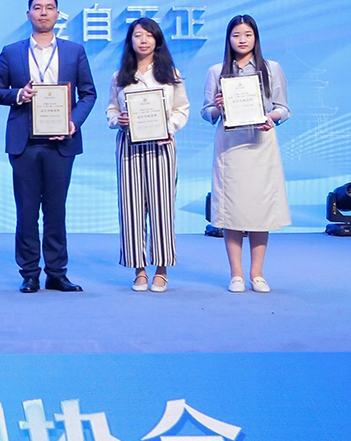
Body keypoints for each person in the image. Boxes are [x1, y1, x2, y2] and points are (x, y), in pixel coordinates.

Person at [0, 0, 96, 293]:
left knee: (55, 210)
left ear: (57, 15)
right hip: (24, 141)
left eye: (49, 8)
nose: (43, 13)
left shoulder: (74, 51)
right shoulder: (11, 52)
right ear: (28, 15)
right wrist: (18, 94)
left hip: (61, 142)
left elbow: (88, 93)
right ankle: (29, 273)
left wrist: (73, 122)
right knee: (26, 211)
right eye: (37, 8)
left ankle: (56, 273)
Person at [201, 15, 290, 294]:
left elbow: (284, 108)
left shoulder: (271, 68)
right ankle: (237, 275)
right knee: (233, 210)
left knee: (260, 210)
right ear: (228, 39)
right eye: (236, 35)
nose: (242, 40)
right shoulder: (217, 71)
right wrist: (218, 107)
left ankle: (257, 274)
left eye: (248, 34)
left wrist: (271, 117)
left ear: (256, 37)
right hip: (230, 147)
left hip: (261, 144)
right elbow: (206, 112)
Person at [105, 19, 189, 293]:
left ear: (157, 40)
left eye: (149, 36)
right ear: (130, 41)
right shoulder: (120, 76)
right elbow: (111, 110)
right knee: (131, 208)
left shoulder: (171, 74)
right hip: (129, 147)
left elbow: (181, 109)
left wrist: (169, 127)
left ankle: (161, 270)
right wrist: (118, 120)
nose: (143, 40)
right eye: (138, 35)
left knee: (162, 207)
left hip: (162, 147)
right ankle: (138, 270)